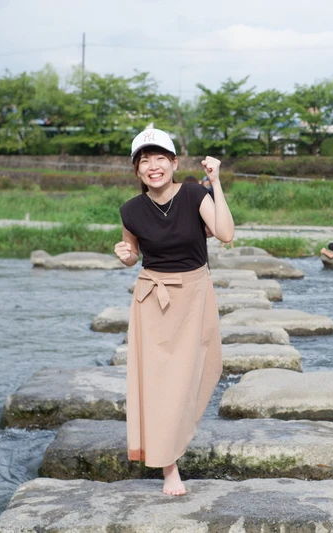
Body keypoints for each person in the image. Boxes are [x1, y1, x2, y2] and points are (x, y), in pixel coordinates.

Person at [114, 128, 234, 496]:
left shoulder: (196, 194)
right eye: (144, 161)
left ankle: (176, 440)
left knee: (203, 371)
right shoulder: (130, 210)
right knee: (159, 386)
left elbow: (225, 233)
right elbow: (132, 252)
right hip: (153, 300)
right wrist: (126, 257)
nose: (153, 166)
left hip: (195, 294)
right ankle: (170, 469)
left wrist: (216, 183)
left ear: (174, 162)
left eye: (160, 158)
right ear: (137, 171)